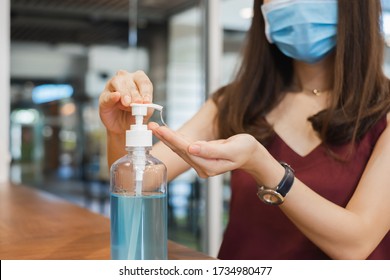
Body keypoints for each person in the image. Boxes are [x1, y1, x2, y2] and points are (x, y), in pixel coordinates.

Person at [99, 0, 390, 259]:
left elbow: (356, 244)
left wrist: (265, 167)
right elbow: (139, 182)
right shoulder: (234, 102)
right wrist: (122, 131)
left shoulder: (384, 111)